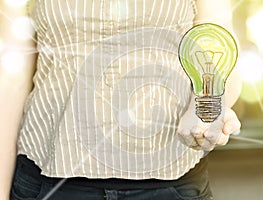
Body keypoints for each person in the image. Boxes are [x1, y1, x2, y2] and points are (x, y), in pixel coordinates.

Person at [0, 0, 241, 199]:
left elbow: (218, 44)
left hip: (170, 183)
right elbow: (11, 79)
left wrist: (207, 108)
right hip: (50, 181)